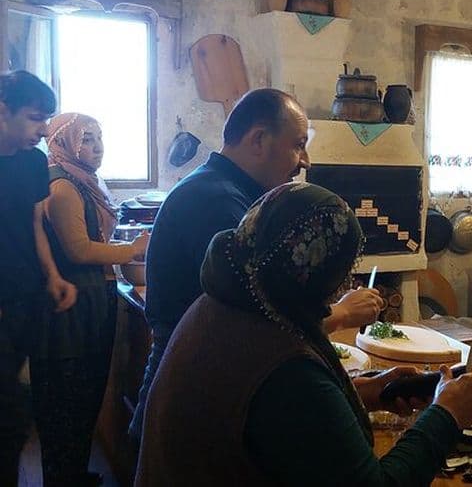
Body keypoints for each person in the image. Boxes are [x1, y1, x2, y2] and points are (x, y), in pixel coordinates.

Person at [135, 182, 472, 486]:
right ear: (313, 273)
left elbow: (275, 419)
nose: (342, 287)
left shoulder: (226, 302)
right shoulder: (285, 365)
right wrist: (445, 415)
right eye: (341, 272)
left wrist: (358, 392)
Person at [129, 88, 382, 442]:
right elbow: (257, 322)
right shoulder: (217, 202)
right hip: (193, 399)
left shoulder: (221, 188)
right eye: (298, 145)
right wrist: (342, 313)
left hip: (196, 384)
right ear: (259, 140)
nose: (306, 161)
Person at [31, 113, 149, 486]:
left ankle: (71, 474)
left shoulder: (81, 181)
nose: (97, 147)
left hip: (86, 299)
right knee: (68, 395)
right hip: (72, 306)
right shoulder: (63, 187)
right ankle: (63, 477)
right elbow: (79, 250)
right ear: (62, 143)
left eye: (99, 138)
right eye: (86, 139)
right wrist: (133, 249)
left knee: (83, 394)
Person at [0, 70, 77, 486]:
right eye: (35, 118)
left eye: (46, 119)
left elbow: (34, 225)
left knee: (16, 406)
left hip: (24, 296)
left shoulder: (32, 163)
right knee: (9, 417)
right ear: (3, 112)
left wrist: (52, 276)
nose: (44, 129)